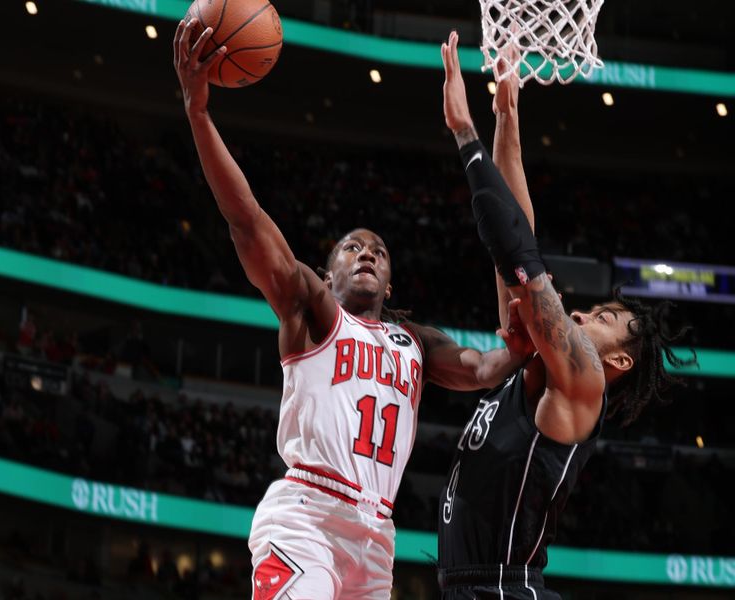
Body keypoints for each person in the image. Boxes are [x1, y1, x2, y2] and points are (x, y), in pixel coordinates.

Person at [173, 19, 533, 600]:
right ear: (328, 271)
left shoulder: (413, 340)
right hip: (307, 516)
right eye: (352, 247)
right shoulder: (311, 310)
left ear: (390, 282)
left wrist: (516, 351)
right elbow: (246, 223)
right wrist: (198, 114)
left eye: (380, 251)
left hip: (376, 536)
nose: (367, 253)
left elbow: (480, 370)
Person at [437, 31, 696, 599]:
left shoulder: (582, 382)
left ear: (620, 358)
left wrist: (466, 135)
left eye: (602, 317)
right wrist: (507, 117)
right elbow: (517, 239)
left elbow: (520, 258)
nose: (581, 313)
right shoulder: (533, 364)